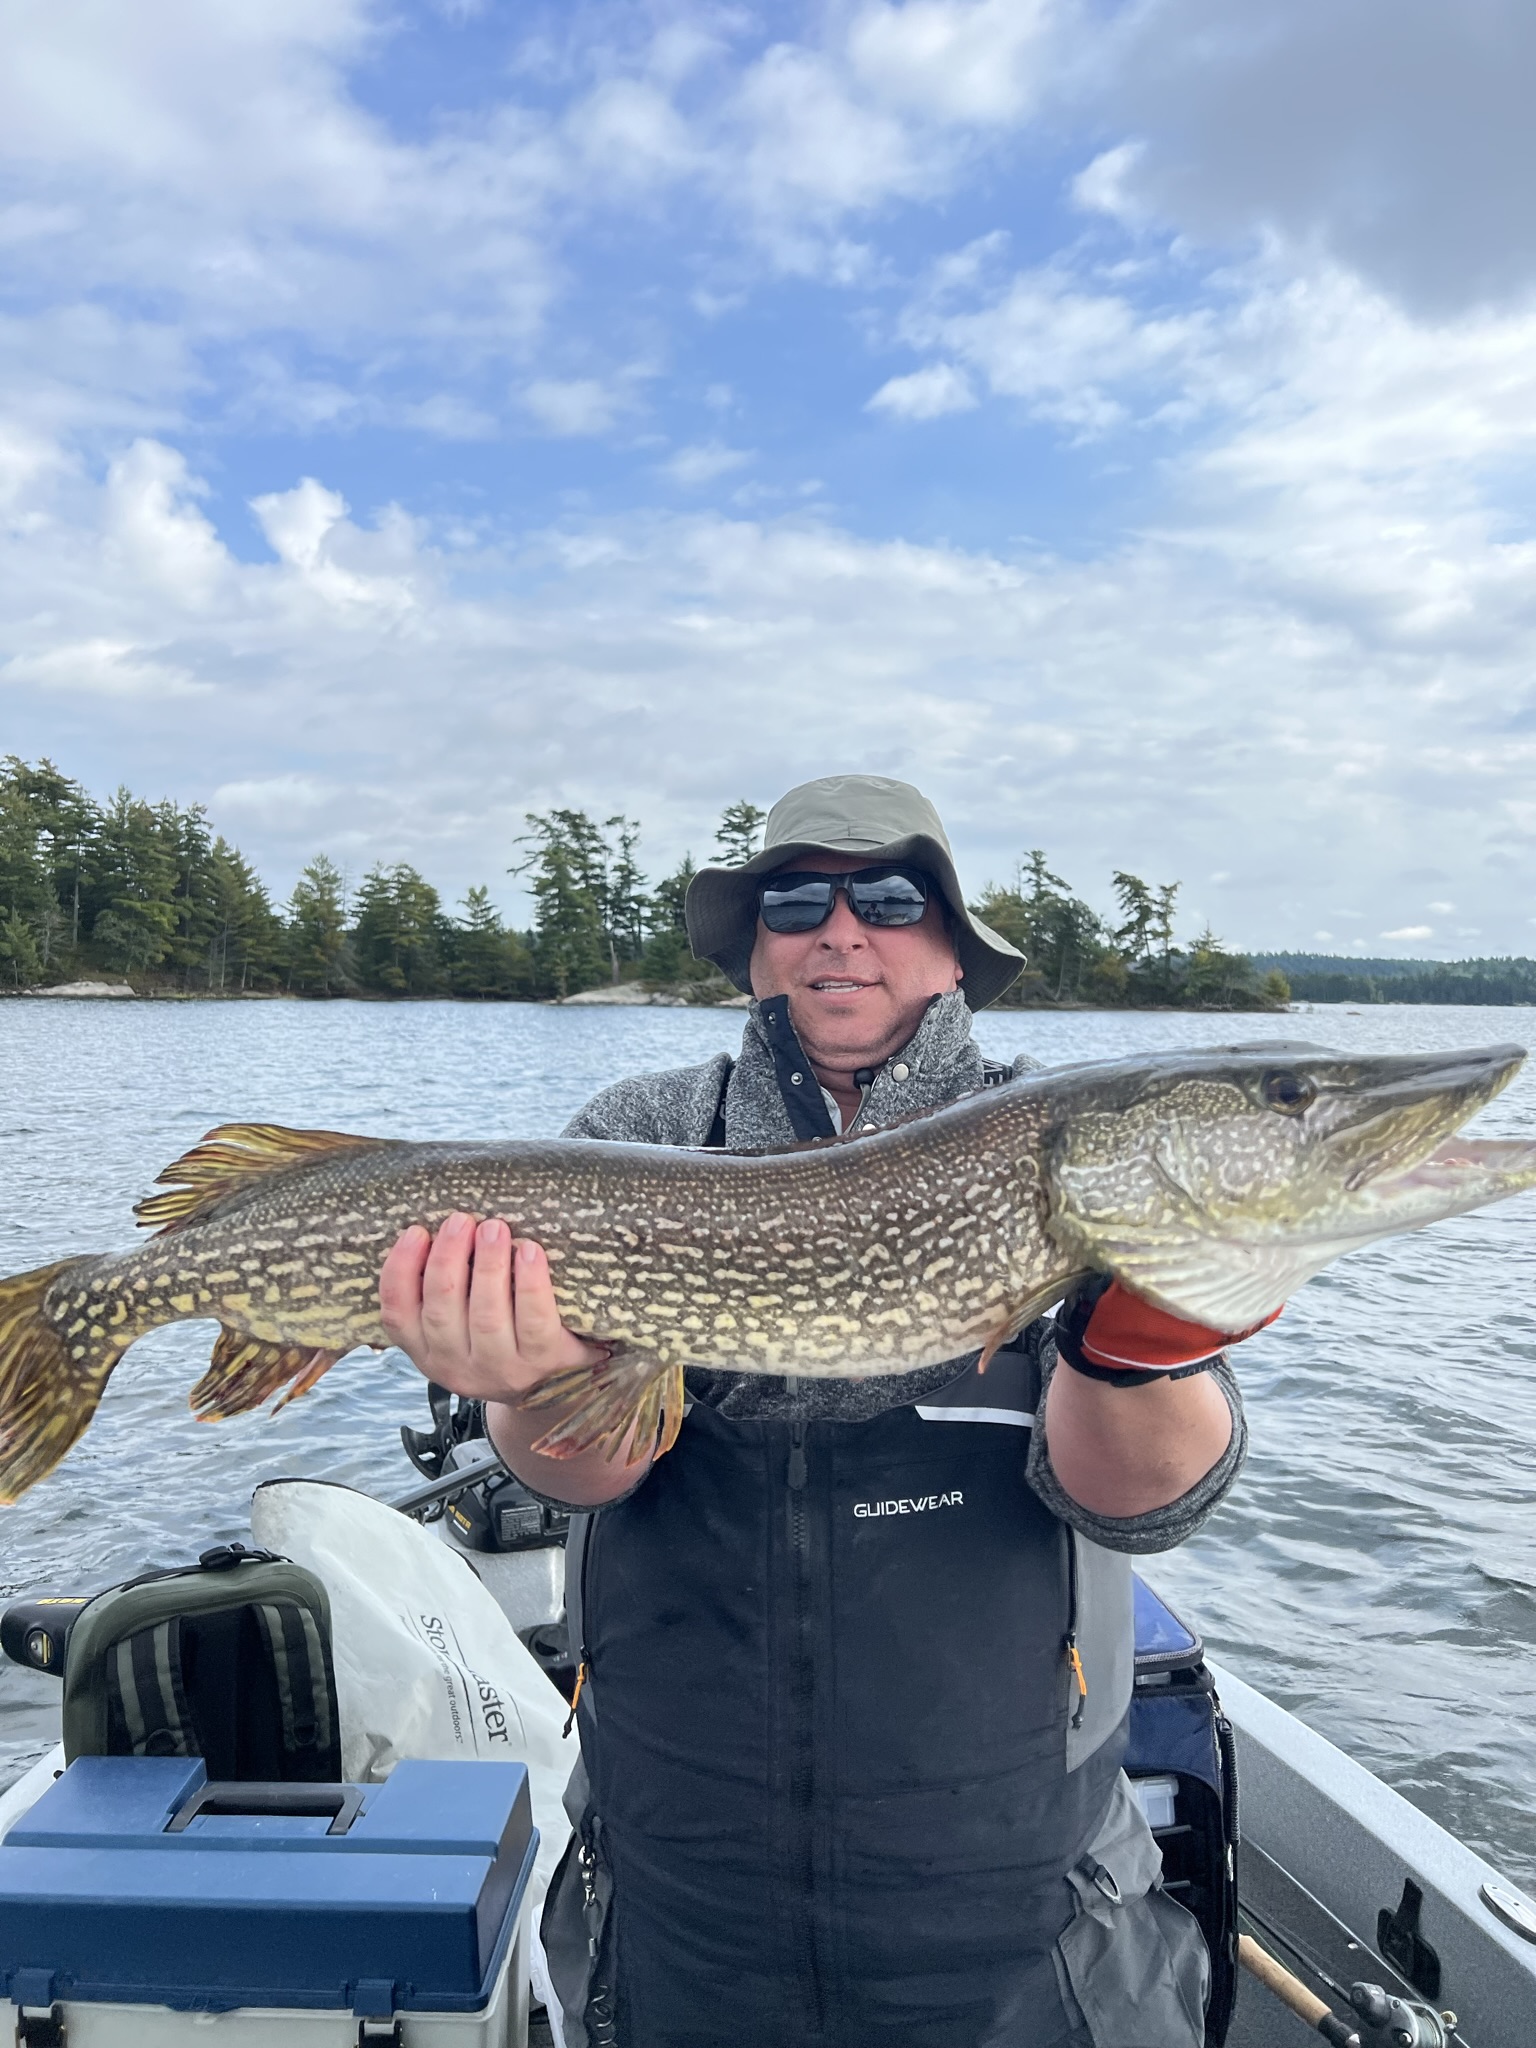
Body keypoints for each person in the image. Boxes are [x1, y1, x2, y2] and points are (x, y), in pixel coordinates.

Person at [379, 774, 1255, 2048]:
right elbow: (580, 1474)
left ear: (953, 947)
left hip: (1008, 1887)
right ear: (754, 952)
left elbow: (1143, 1501)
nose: (841, 928)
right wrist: (517, 1383)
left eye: (892, 897)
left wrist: (1136, 1358)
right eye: (796, 900)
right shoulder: (644, 1132)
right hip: (690, 1873)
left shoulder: (1077, 1139)